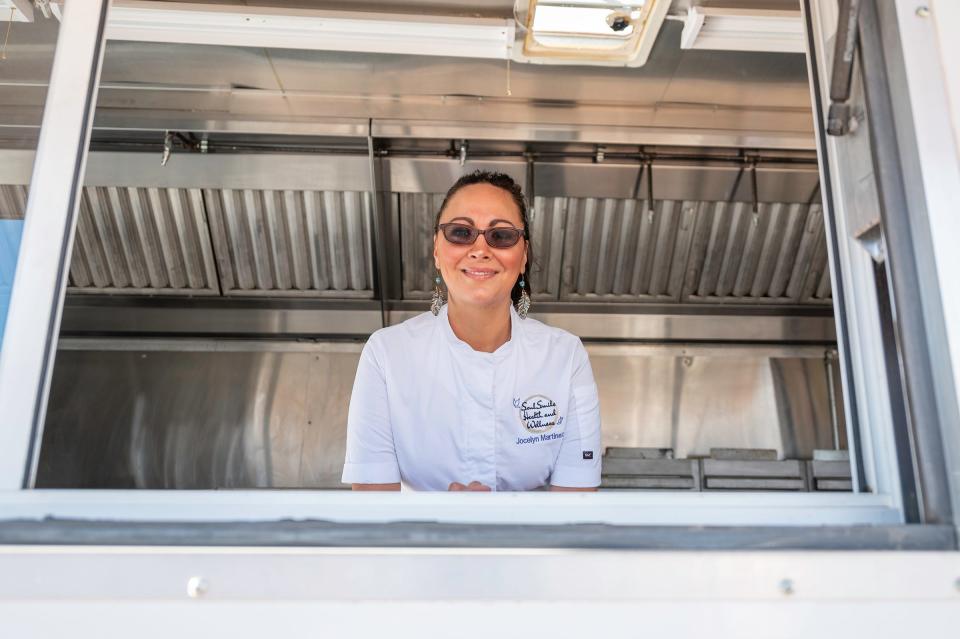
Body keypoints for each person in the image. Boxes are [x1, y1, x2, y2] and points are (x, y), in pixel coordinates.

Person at [342, 170, 601, 491]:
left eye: (501, 236)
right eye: (461, 232)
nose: (480, 248)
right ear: (437, 249)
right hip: (416, 540)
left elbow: (576, 505)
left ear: (523, 256)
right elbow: (372, 507)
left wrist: (496, 525)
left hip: (532, 543)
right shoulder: (386, 354)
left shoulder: (565, 356)